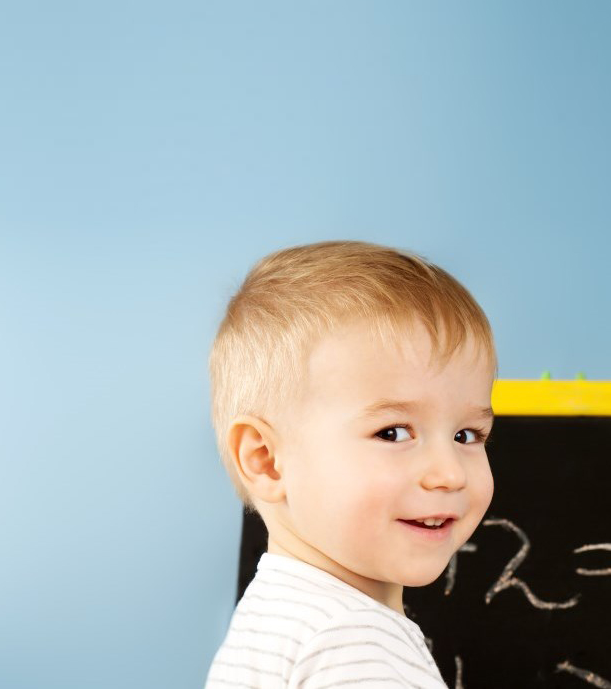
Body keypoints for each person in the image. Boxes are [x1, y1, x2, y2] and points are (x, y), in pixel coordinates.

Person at [205, 240, 496, 689]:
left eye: (467, 435)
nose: (450, 473)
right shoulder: (351, 643)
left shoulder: (278, 618)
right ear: (267, 461)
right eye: (393, 432)